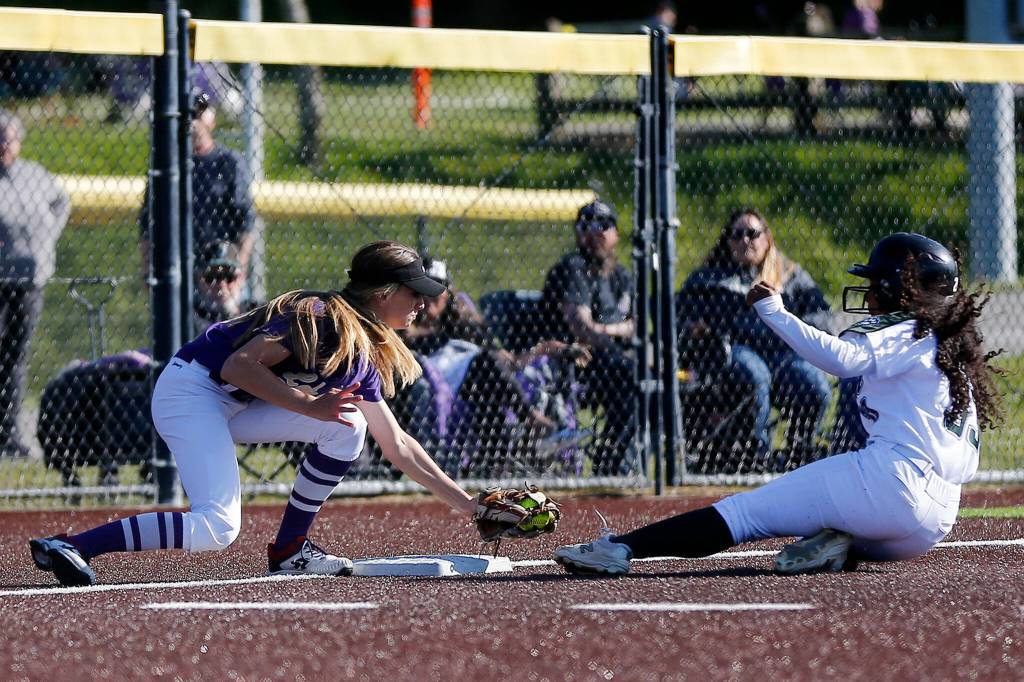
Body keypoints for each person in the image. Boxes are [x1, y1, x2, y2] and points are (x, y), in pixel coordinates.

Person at [28, 241, 482, 587]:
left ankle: (290, 549)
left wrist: (469, 505)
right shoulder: (319, 316)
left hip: (231, 403)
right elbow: (236, 365)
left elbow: (398, 445)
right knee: (217, 527)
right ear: (383, 292)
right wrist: (307, 405)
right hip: (190, 391)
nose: (422, 303)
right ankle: (69, 546)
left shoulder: (356, 343)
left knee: (350, 427)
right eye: (413, 291)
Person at [553, 232, 1004, 576]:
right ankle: (839, 542)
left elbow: (842, 359)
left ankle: (619, 548)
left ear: (898, 289)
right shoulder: (949, 347)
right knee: (826, 516)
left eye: (875, 285)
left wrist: (775, 311)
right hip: (932, 522)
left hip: (893, 487)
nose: (867, 295)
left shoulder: (907, 328)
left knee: (745, 514)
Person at [400, 258, 587, 477]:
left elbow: (507, 359)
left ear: (447, 293)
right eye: (422, 289)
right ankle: (533, 420)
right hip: (435, 381)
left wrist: (545, 348)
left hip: (474, 381)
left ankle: (496, 463)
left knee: (485, 383)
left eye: (435, 289)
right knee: (484, 364)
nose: (429, 297)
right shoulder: (404, 324)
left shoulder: (462, 326)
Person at [675, 209, 832, 470]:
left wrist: (800, 330)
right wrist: (698, 329)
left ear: (767, 238)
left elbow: (822, 314)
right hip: (734, 352)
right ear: (727, 241)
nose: (745, 240)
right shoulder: (710, 278)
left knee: (813, 383)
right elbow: (681, 317)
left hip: (783, 355)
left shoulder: (789, 274)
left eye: (752, 233)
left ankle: (799, 453)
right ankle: (757, 456)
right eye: (736, 234)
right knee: (755, 374)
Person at [540, 199, 637, 476]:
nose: (594, 231)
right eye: (585, 224)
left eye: (603, 225)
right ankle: (615, 470)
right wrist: (618, 333)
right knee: (631, 372)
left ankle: (619, 464)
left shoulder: (621, 275)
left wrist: (606, 330)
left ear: (616, 234)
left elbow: (638, 326)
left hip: (614, 357)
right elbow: (581, 328)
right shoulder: (573, 268)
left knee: (656, 377)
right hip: (578, 362)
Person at [140, 92, 258, 303]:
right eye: (187, 113)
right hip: (176, 272)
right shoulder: (165, 165)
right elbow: (147, 223)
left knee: (229, 329)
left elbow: (246, 222)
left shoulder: (228, 163)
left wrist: (238, 271)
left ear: (211, 119)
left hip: (221, 272)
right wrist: (148, 266)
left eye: (199, 113)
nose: (193, 120)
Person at [0, 109, 71, 458]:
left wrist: (47, 242)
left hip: (29, 281)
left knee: (15, 357)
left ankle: (9, 435)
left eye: (8, 137)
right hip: (0, 278)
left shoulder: (34, 175)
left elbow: (62, 203)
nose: (3, 144)